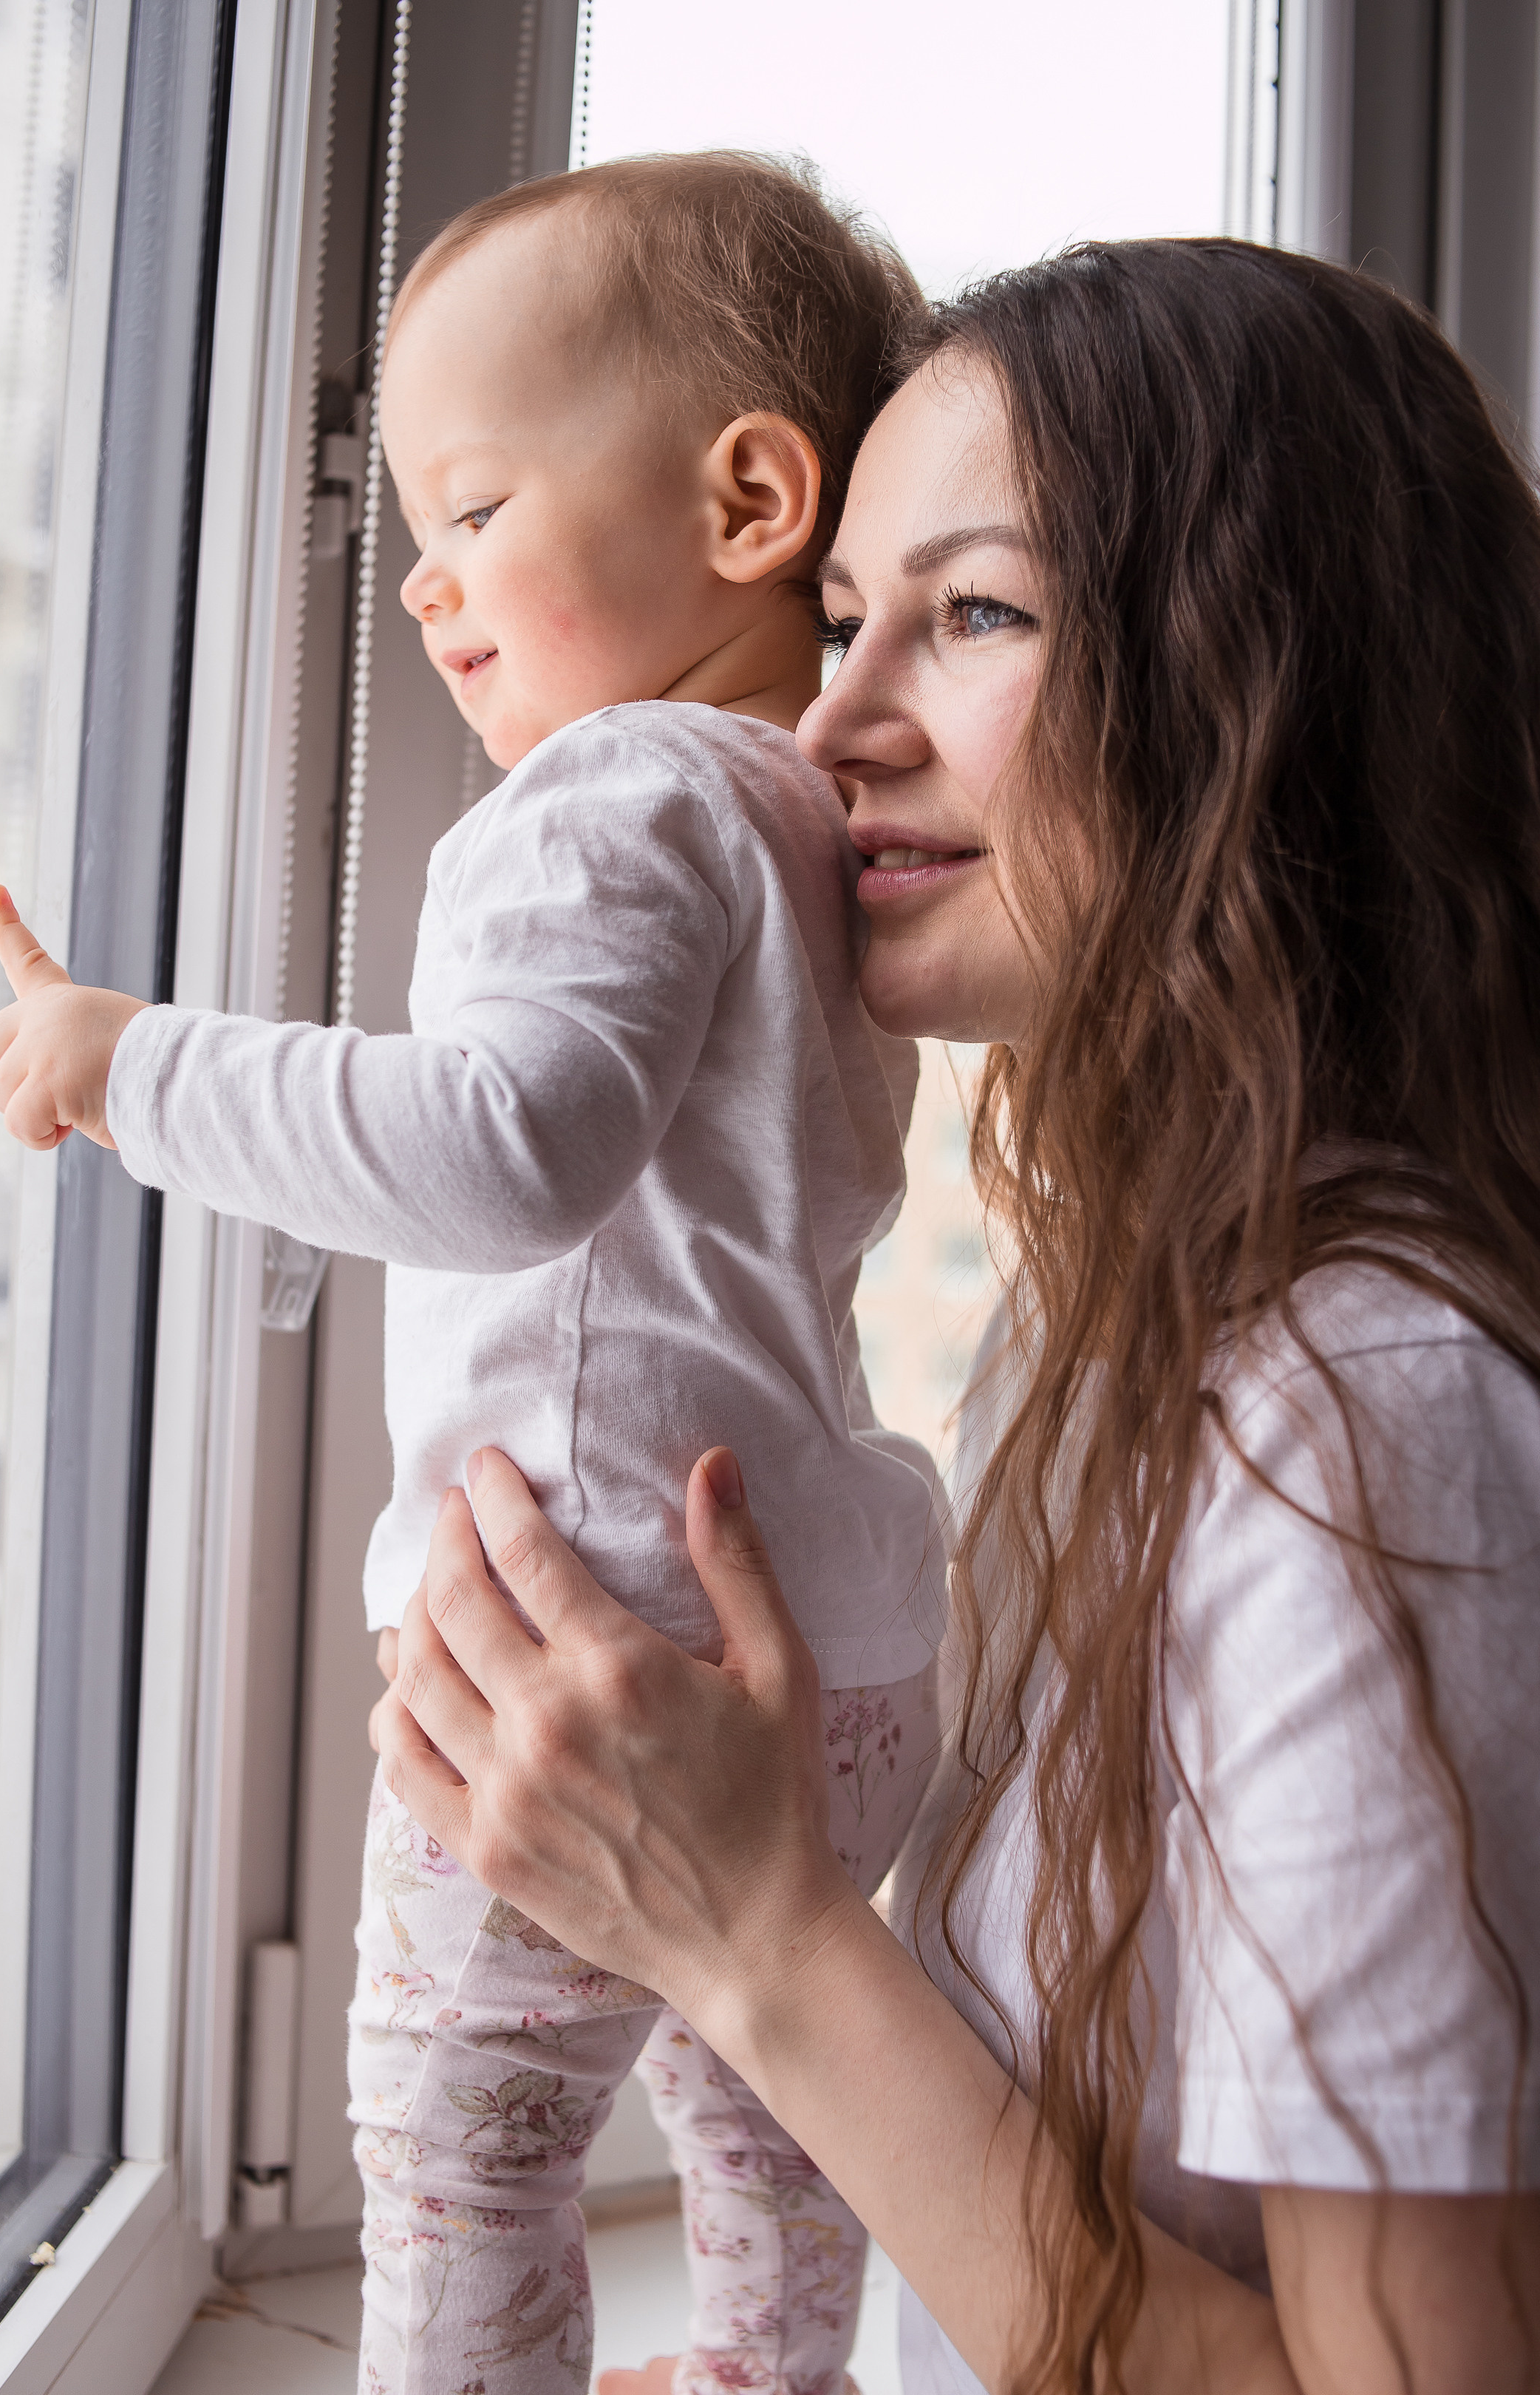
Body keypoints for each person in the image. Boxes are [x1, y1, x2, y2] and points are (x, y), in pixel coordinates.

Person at [374, 239, 1540, 2395]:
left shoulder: (1355, 1418)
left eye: (976, 611)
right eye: (837, 621)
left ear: (1268, 680)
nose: (831, 722)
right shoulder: (1113, 1336)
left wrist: (757, 1935)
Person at [0, 157, 951, 2394]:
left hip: (587, 1660)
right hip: (844, 1648)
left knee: (451, 2154)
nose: (423, 583)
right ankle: (767, 2374)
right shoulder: (833, 826)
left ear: (750, 499)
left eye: (476, 504)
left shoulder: (605, 797)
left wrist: (133, 1067)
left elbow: (507, 1142)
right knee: (765, 2083)